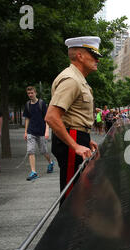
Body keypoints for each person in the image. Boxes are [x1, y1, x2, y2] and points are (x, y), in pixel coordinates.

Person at [45, 36, 100, 203]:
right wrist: (75, 145)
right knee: (70, 195)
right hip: (72, 140)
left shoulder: (78, 79)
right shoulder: (71, 80)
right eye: (94, 55)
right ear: (80, 56)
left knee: (76, 191)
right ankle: (65, 228)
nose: (97, 60)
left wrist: (85, 139)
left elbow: (75, 115)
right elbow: (51, 117)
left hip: (77, 137)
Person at [23, 86, 54, 181]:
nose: (30, 95)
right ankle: (33, 172)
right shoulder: (27, 104)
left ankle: (50, 162)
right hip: (31, 131)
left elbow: (47, 118)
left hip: (41, 131)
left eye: (32, 93)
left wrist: (46, 131)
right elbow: (27, 118)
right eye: (28, 93)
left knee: (43, 151)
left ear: (35, 93)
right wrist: (25, 131)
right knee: (30, 151)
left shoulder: (41, 103)